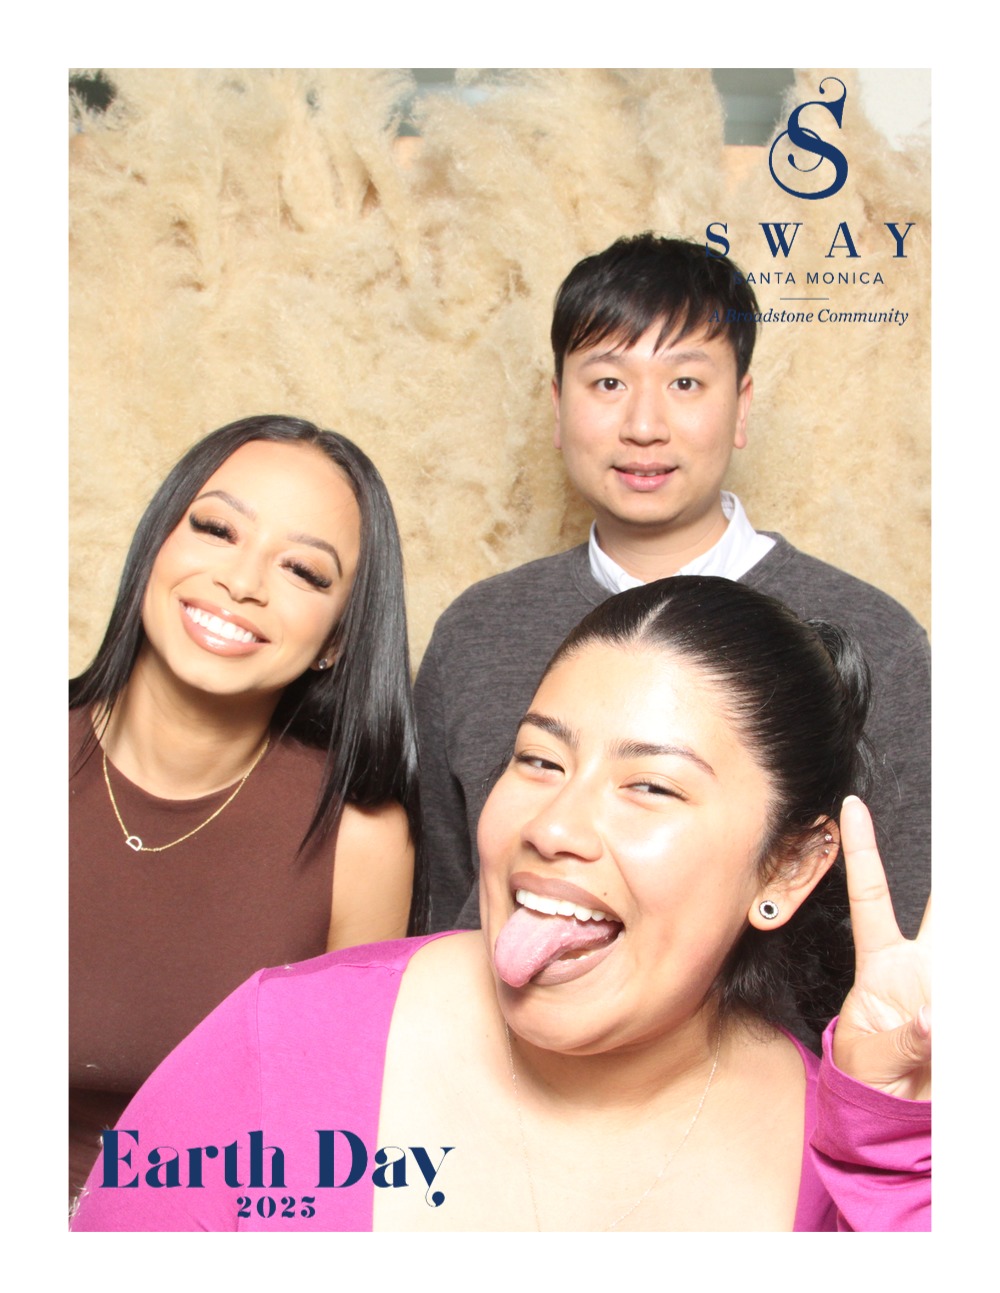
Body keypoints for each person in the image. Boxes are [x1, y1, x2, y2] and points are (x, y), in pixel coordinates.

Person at [71, 578, 930, 1232]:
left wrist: (898, 1162)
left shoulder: (857, 1168)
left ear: (786, 869)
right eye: (539, 761)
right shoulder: (280, 1041)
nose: (553, 826)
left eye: (651, 786)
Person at [415, 233, 930, 937]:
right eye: (608, 383)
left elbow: (906, 927)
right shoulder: (478, 630)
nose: (644, 426)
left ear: (741, 407)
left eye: (685, 383)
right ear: (558, 406)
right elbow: (444, 914)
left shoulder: (876, 636)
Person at [69, 414, 422, 1202]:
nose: (243, 581)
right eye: (217, 529)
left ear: (336, 640)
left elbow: (326, 1138)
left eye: (303, 571)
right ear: (156, 544)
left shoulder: (362, 838)